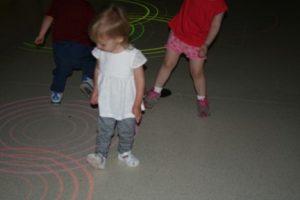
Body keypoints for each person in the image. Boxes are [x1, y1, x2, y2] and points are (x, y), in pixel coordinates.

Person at [86, 5, 146, 169]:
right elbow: (98, 70)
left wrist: (137, 104)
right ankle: (101, 155)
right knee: (104, 130)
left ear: (119, 38)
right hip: (107, 98)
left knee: (126, 131)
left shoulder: (132, 55)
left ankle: (124, 152)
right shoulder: (102, 51)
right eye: (96, 42)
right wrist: (96, 91)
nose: (98, 46)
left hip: (127, 102)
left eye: (102, 43)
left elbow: (140, 81)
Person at [144, 0, 228, 117]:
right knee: (168, 64)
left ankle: (202, 100)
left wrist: (206, 44)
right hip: (178, 33)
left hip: (199, 41)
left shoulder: (219, 4)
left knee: (197, 72)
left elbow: (215, 25)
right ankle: (156, 91)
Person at [34, 0, 96, 104]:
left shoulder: (58, 2)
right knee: (91, 59)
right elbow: (93, 24)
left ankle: (56, 93)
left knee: (62, 67)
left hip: (60, 43)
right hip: (82, 44)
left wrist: (41, 35)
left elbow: (49, 17)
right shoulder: (85, 5)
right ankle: (87, 77)